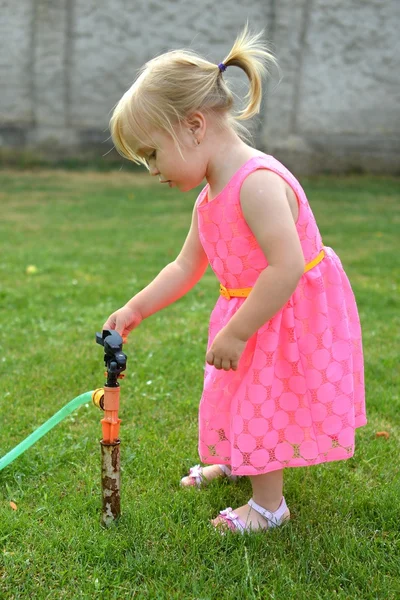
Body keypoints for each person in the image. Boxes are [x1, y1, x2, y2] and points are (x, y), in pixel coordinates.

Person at [103, 25, 366, 534]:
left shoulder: (257, 183)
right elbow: (185, 266)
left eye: (152, 154)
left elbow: (286, 266)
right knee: (232, 392)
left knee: (262, 398)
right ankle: (237, 457)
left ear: (194, 125)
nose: (152, 170)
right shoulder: (210, 197)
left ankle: (269, 507)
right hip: (247, 307)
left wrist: (241, 330)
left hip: (281, 312)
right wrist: (136, 307)